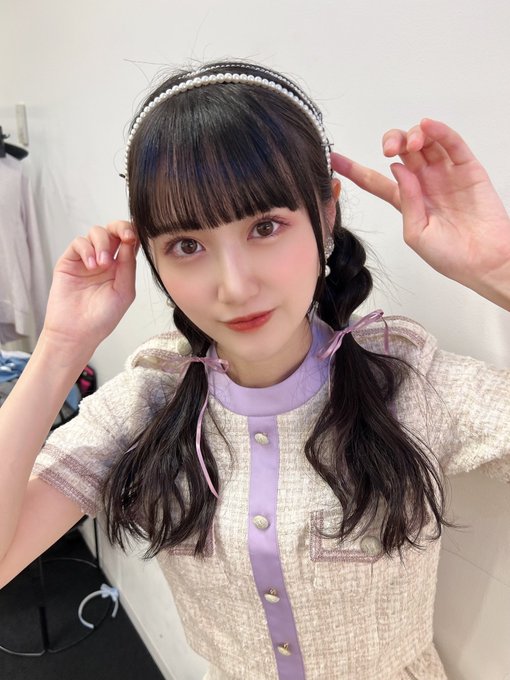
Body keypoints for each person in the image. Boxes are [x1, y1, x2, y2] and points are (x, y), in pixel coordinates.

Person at [0, 59, 509, 680]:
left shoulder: (408, 383)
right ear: (153, 257)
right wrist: (60, 347)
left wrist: (500, 269)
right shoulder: (148, 402)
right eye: (187, 245)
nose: (235, 286)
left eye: (265, 227)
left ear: (326, 215)